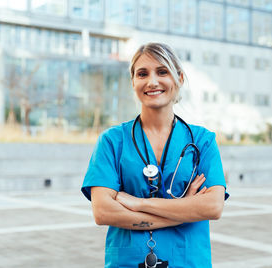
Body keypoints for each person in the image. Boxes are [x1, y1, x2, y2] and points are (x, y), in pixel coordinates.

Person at [81, 42, 229, 268]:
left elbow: (212, 207)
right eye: (142, 74)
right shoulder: (112, 141)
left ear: (179, 78)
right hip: (128, 262)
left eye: (162, 71)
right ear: (133, 82)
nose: (152, 81)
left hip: (188, 261)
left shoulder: (202, 141)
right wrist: (185, 210)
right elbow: (103, 212)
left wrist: (137, 203)